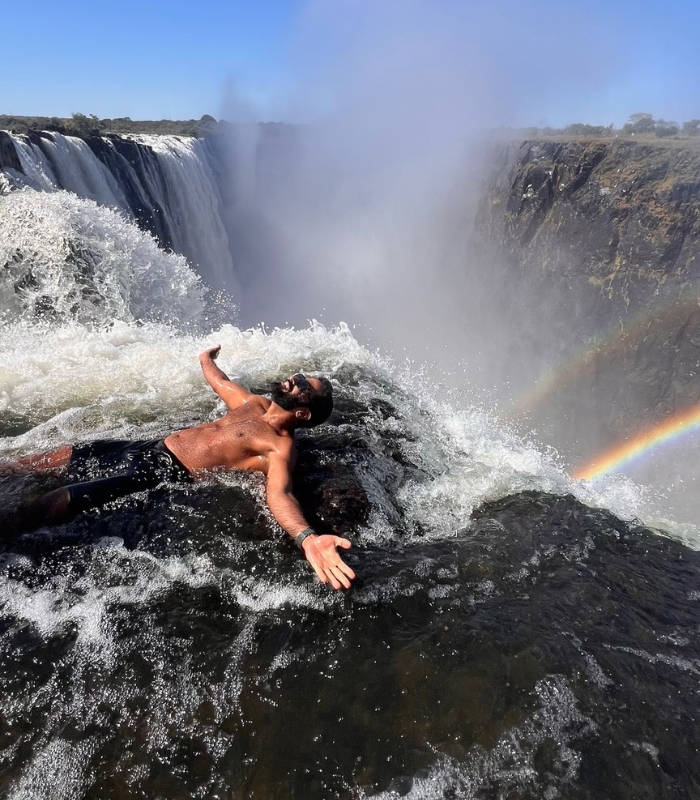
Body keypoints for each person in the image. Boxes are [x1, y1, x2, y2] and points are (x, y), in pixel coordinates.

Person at [8, 346, 355, 590]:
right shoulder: (256, 404)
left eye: (303, 384)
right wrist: (205, 360)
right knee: (46, 460)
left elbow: (280, 494)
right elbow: (222, 385)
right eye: (300, 374)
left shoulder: (279, 446)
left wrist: (307, 538)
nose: (294, 377)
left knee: (58, 500)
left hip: (161, 473)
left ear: (303, 412)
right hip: (146, 447)